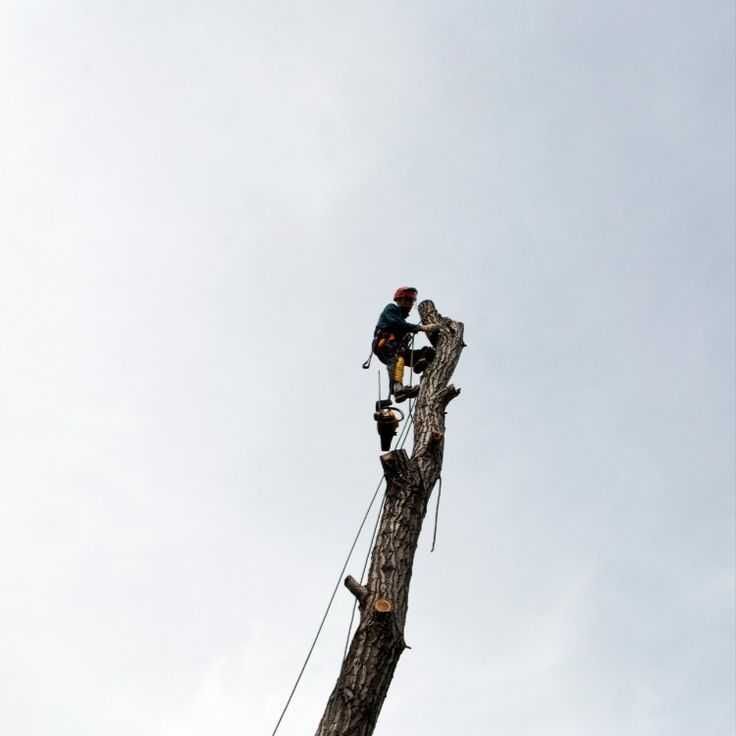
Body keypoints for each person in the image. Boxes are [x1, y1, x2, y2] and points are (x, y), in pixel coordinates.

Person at [371, 287, 438, 402]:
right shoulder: (391, 309)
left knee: (427, 352)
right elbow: (396, 323)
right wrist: (421, 328)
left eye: (411, 301)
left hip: (399, 348)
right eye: (406, 300)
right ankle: (397, 389)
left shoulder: (402, 320)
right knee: (398, 359)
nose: (409, 303)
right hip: (386, 344)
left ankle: (421, 361)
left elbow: (402, 325)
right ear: (398, 300)